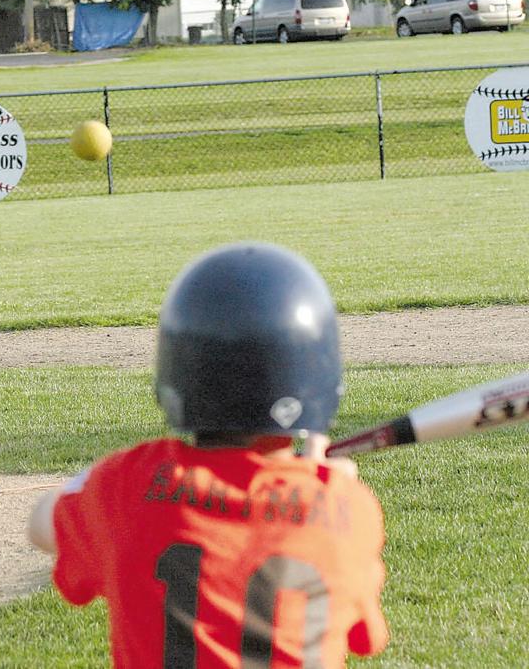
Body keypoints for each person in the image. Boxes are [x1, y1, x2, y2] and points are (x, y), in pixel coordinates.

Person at [28, 242, 388, 668]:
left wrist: (111, 471)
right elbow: (366, 639)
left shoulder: (126, 484)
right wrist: (318, 483)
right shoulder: (348, 508)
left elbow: (40, 526)